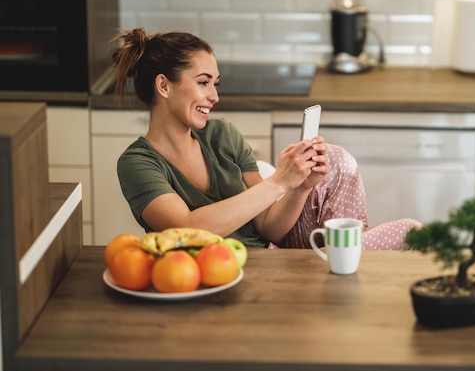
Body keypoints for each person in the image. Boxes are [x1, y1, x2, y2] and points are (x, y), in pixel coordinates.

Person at [111, 28, 421, 250]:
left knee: (340, 162)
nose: (215, 96)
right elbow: (188, 230)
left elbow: (268, 227)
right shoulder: (138, 163)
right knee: (410, 235)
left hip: (272, 254)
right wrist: (278, 183)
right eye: (203, 83)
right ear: (164, 86)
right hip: (219, 273)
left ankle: (333, 261)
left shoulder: (221, 135)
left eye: (216, 84)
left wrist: (301, 187)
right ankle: (333, 263)